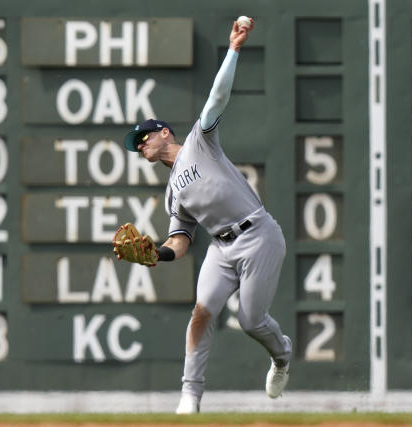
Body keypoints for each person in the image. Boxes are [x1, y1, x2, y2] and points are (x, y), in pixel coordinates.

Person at [121, 18, 292, 414]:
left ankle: (282, 355)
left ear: (165, 132)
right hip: (221, 247)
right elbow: (180, 240)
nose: (141, 145)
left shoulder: (200, 141)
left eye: (145, 137)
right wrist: (156, 254)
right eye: (137, 144)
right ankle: (190, 399)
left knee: (251, 321)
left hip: (259, 234)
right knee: (201, 313)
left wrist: (233, 49)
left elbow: (217, 96)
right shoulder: (172, 193)